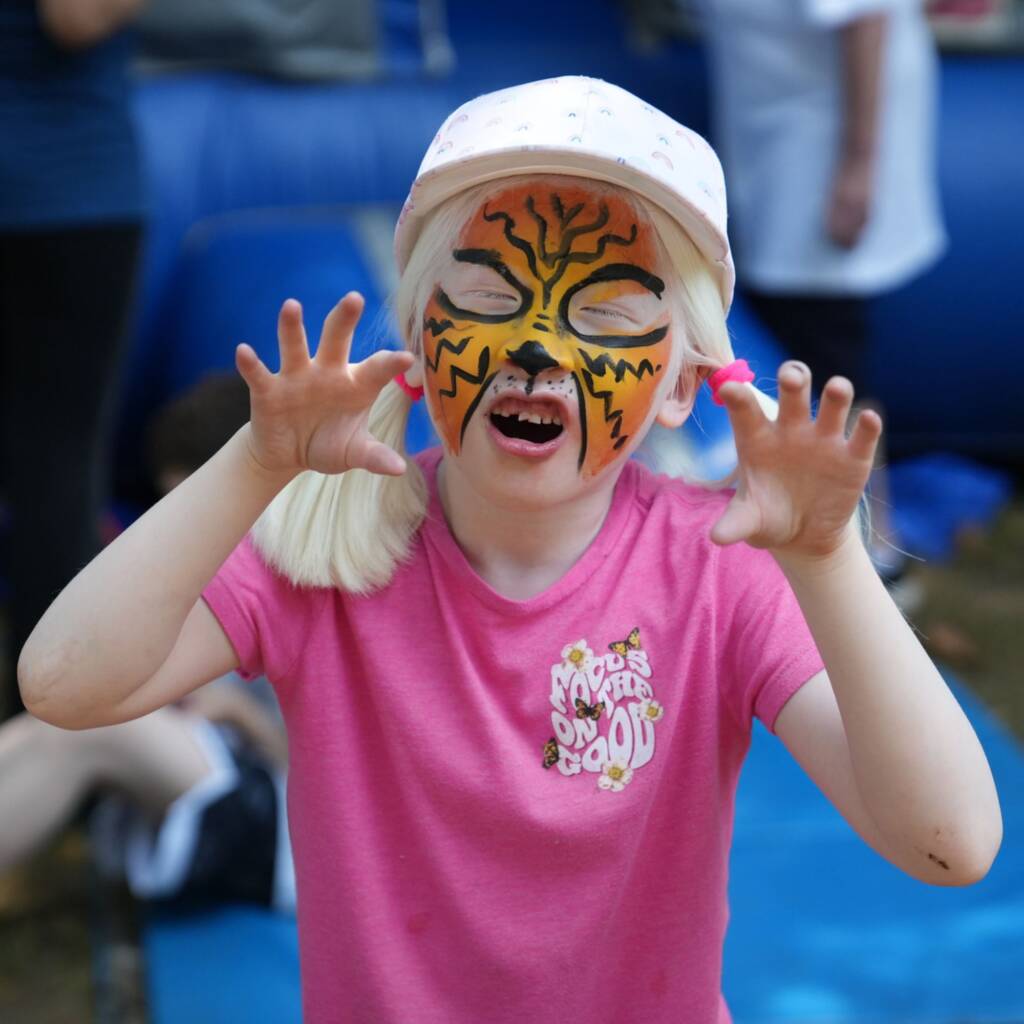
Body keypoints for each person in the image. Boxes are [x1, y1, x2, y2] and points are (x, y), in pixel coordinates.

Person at [18, 77, 1000, 1023]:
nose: (538, 349)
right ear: (416, 329)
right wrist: (253, 463)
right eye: (489, 295)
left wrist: (828, 562)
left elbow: (949, 844)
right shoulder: (328, 551)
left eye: (607, 316)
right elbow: (66, 686)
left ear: (675, 384)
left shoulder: (717, 569)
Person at [0, 373, 293, 912]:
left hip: (292, 832)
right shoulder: (211, 579)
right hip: (217, 777)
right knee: (53, 724)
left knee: (86, 734)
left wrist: (238, 715)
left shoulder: (305, 575)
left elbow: (338, 778)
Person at [699, 0, 946, 580]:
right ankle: (852, 534)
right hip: (784, 122)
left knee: (826, 345)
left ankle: (873, 546)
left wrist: (858, 167)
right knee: (803, 334)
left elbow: (865, 16)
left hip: (824, 138)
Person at [0, 0, 148, 717]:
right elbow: (77, 15)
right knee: (56, 478)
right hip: (61, 194)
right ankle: (51, 745)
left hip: (61, 190)